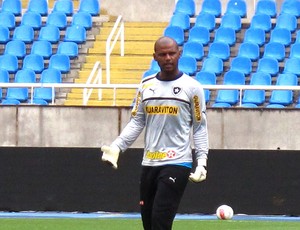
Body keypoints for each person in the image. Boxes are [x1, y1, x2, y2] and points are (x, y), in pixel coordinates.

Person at [101, 36, 209, 230]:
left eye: (172, 53)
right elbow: (137, 121)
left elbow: (199, 126)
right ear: (155, 57)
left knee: (160, 222)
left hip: (177, 163)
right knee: (149, 225)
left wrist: (202, 161)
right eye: (163, 54)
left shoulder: (192, 88)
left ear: (179, 54)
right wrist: (117, 146)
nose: (168, 58)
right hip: (149, 163)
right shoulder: (146, 85)